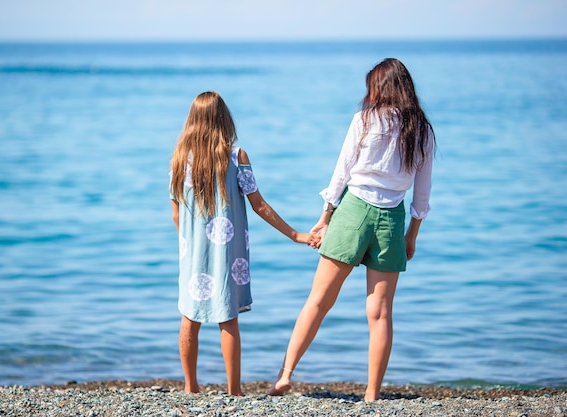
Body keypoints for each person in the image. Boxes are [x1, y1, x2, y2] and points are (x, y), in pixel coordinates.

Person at [268, 58, 436, 401]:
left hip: (354, 211)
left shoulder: (364, 120)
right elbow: (423, 194)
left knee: (318, 301)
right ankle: (372, 393)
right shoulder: (421, 129)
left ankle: (285, 376)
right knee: (381, 313)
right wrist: (411, 235)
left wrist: (326, 216)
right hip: (392, 219)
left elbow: (341, 172)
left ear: (380, 87)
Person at [170, 91, 316, 396]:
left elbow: (176, 212)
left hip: (191, 252)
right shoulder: (236, 157)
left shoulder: (179, 159)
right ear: (224, 119)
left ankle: (190, 386)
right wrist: (296, 235)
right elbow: (259, 205)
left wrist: (191, 243)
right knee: (228, 317)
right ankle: (234, 391)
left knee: (189, 317)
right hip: (227, 252)